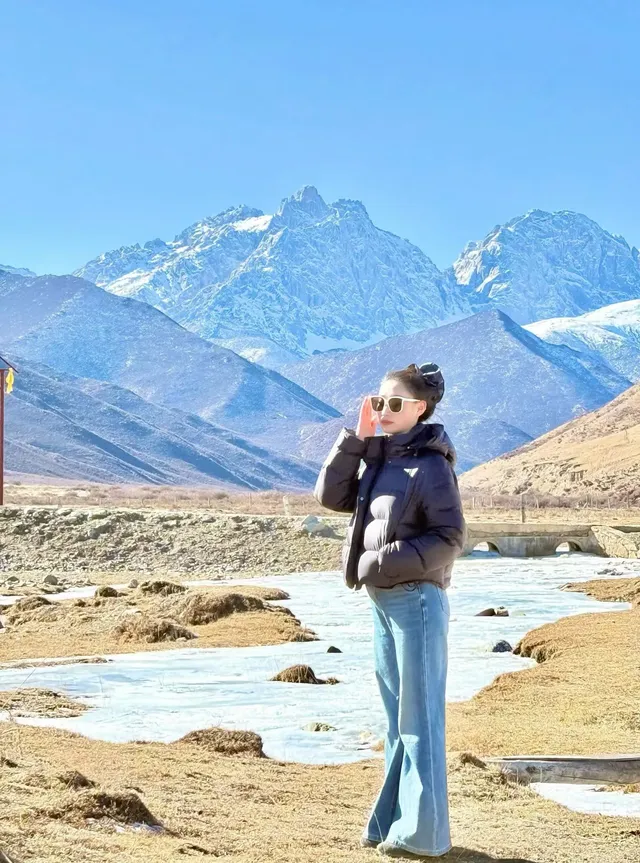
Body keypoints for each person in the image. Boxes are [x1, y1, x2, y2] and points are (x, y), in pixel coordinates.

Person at [314, 362, 466, 859]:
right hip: (384, 601)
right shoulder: (380, 457)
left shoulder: (431, 466)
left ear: (420, 408)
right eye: (378, 401)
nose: (383, 410)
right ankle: (389, 824)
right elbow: (331, 496)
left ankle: (423, 836)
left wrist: (381, 562)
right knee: (396, 721)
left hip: (416, 600)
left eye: (394, 403)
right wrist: (355, 440)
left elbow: (450, 537)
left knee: (420, 721)